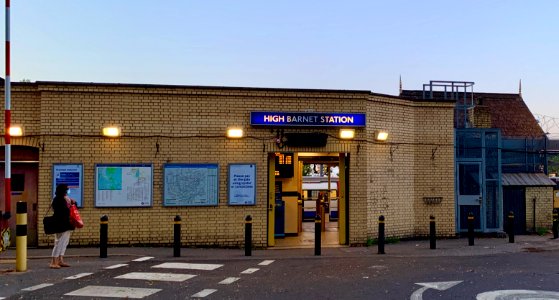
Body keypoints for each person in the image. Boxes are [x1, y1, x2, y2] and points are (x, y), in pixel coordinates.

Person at [49, 184, 76, 269]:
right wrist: (69, 205)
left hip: (65, 223)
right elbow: (63, 211)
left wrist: (71, 203)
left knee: (64, 242)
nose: (67, 191)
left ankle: (60, 259)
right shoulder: (58, 199)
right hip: (61, 223)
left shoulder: (64, 199)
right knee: (59, 242)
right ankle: (54, 261)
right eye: (66, 190)